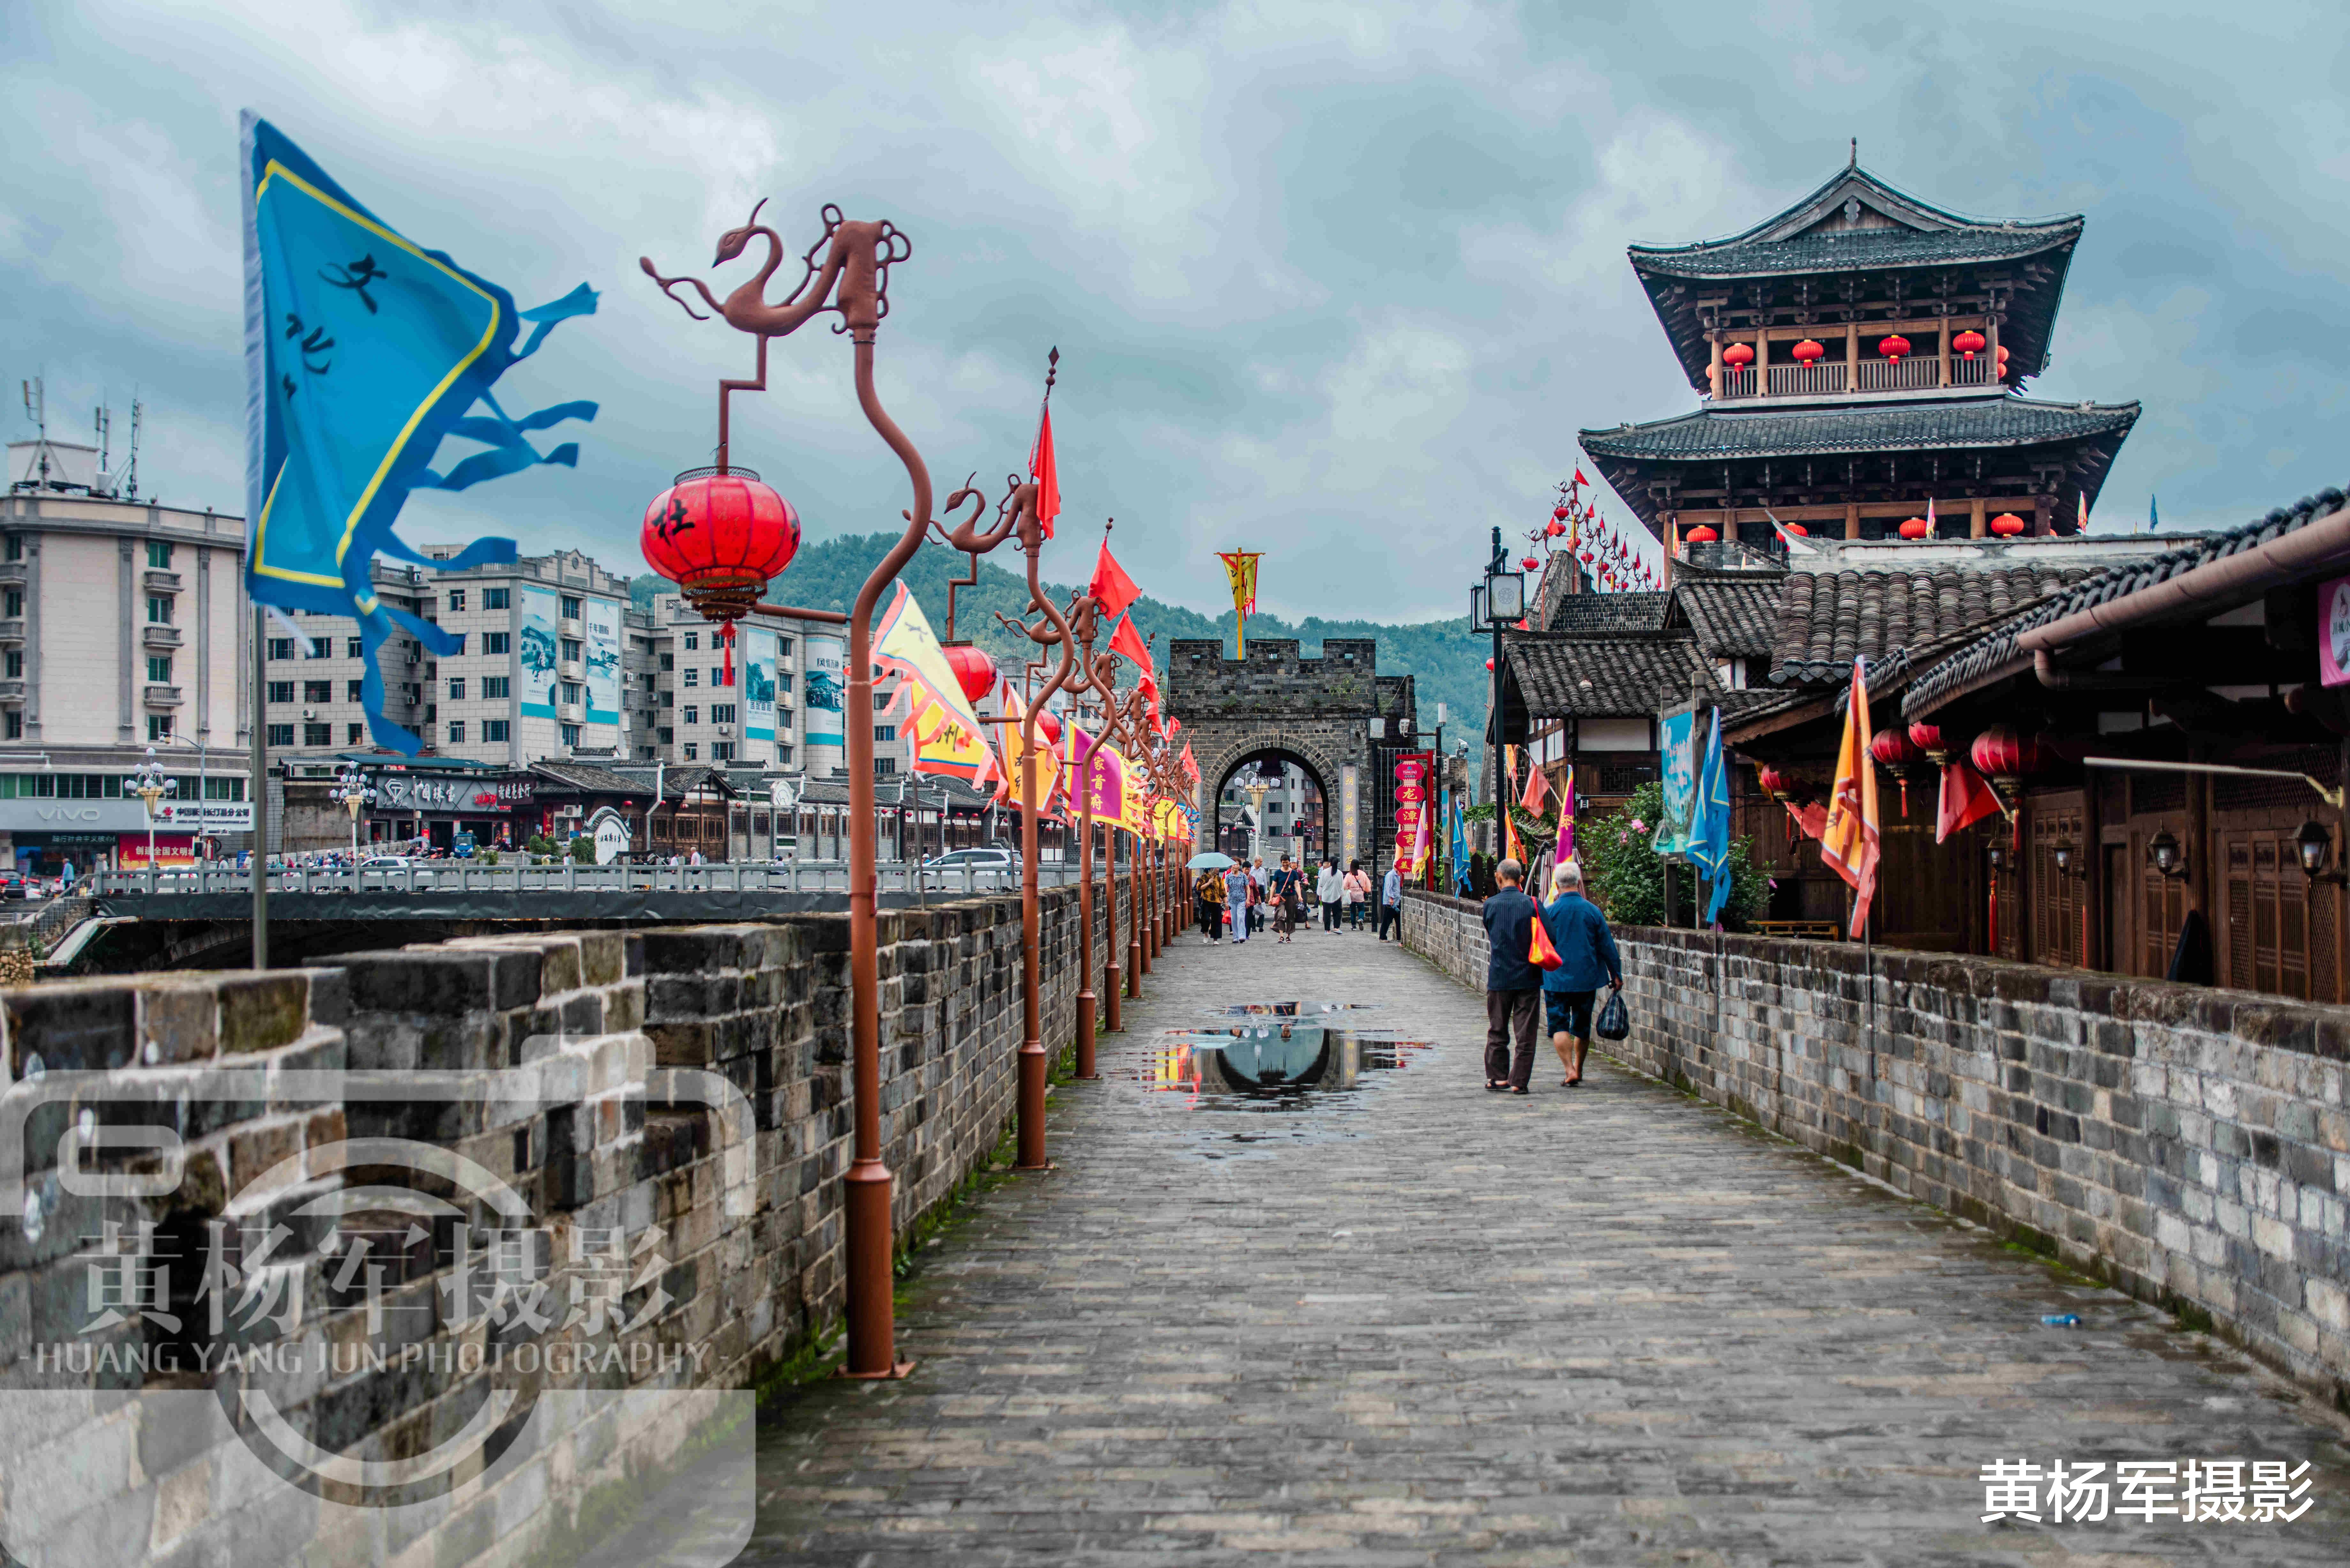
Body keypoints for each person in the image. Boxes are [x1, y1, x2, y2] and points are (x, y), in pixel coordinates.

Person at [1538, 860, 1621, 1088]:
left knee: (1559, 1025)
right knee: (1582, 1026)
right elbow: (1607, 946)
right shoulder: (1593, 911)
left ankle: (1569, 1070)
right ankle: (1580, 1068)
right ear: (1579, 882)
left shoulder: (1550, 912)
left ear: (1556, 884)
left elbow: (1540, 946)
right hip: (1586, 979)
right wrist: (1616, 973)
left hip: (1556, 979)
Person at [1481, 857, 1543, 1095]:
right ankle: (1519, 1081)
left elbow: (1491, 932)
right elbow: (1551, 938)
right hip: (1529, 976)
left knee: (1498, 1029)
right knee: (1525, 1032)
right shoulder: (1533, 905)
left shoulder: (1491, 905)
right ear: (1522, 879)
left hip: (1499, 976)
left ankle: (1498, 1078)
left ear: (1499, 877)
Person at [1270, 854, 1302, 942]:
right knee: (1280, 915)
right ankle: (1281, 936)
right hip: (1280, 897)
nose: (1285, 864)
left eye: (1287, 862)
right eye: (1283, 863)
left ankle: (1288, 936)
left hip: (1292, 897)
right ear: (1281, 863)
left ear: (1289, 862)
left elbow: (1297, 885)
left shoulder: (1293, 873)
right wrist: (1270, 898)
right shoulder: (1278, 873)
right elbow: (1273, 886)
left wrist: (1300, 896)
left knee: (1291, 916)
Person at [1223, 862, 1253, 943]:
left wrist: (1248, 900)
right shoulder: (1228, 877)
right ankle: (1236, 937)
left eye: (1237, 865)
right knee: (1234, 919)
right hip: (1232, 901)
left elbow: (1248, 888)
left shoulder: (1243, 876)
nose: (1236, 866)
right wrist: (1225, 899)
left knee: (1241, 918)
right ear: (1231, 866)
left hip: (1242, 900)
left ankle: (1242, 936)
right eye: (1234, 865)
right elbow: (1226, 888)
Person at [1197, 865, 1226, 942]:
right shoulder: (1204, 877)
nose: (1218, 869)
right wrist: (1208, 883)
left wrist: (1226, 903)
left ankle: (1215, 939)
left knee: (1217, 921)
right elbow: (1199, 888)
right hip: (1207, 900)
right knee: (1206, 919)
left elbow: (1223, 892)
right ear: (1212, 869)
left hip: (1217, 901)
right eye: (1217, 868)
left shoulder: (1218, 879)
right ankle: (1206, 934)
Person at [1377, 859, 1403, 941]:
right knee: (1387, 920)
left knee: (1399, 921)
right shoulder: (1391, 875)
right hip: (1390, 902)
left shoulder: (1398, 876)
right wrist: (1391, 899)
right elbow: (1389, 888)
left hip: (1397, 901)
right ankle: (1382, 937)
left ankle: (1399, 938)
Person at [1317, 858, 1343, 931]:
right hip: (1337, 895)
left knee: (1327, 913)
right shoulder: (1340, 873)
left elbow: (1321, 884)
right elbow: (1342, 886)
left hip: (1326, 896)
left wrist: (1320, 894)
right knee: (1337, 912)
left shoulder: (1325, 872)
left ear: (1330, 863)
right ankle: (1336, 928)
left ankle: (1327, 930)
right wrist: (1342, 895)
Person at [1344, 860, 1370, 930]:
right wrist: (1367, 890)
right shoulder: (1363, 874)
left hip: (1352, 895)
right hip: (1360, 895)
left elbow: (1345, 886)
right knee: (1361, 909)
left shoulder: (1349, 875)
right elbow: (1368, 883)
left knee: (1353, 911)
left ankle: (1354, 926)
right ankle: (1361, 919)